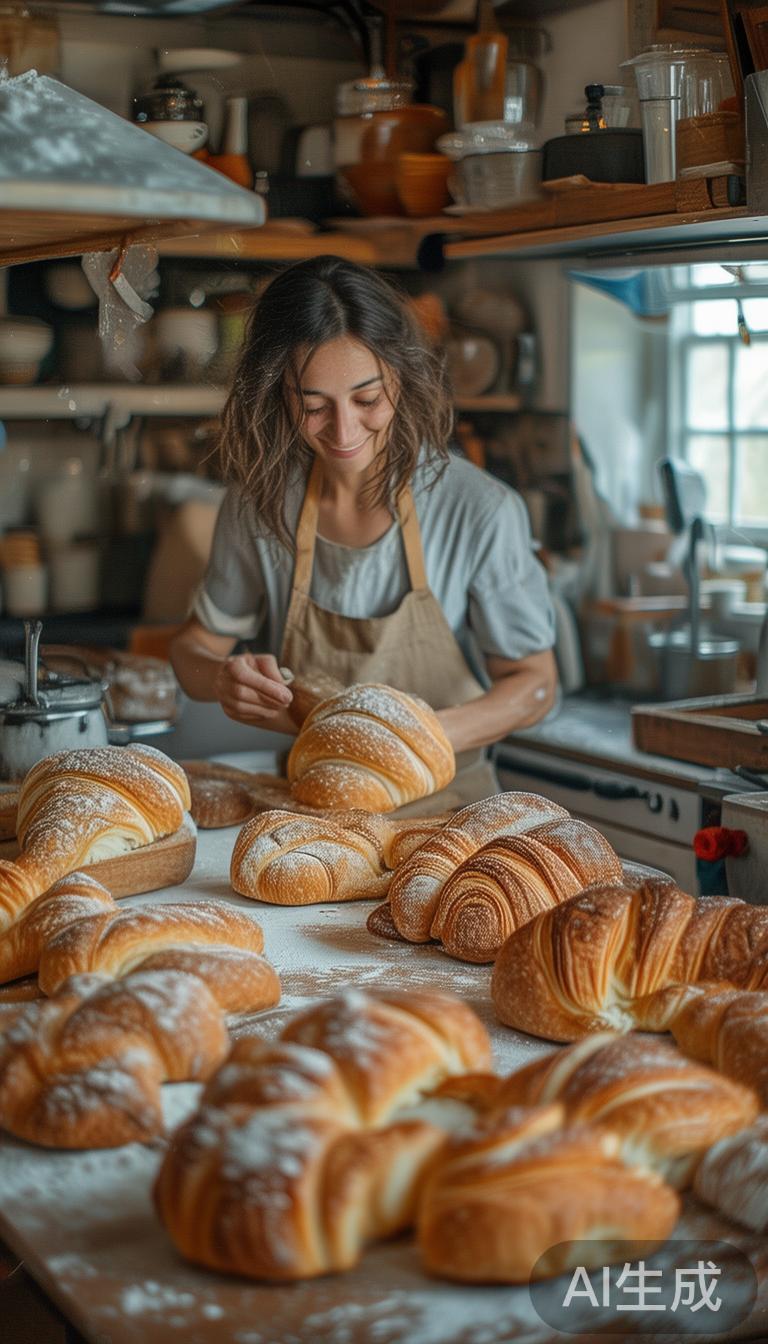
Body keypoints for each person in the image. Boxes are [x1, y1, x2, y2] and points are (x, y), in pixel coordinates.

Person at [170, 255, 558, 806]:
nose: (344, 429)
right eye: (314, 405)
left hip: (449, 811)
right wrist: (219, 678)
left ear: (400, 374)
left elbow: (535, 682)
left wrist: (414, 741)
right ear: (279, 393)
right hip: (317, 807)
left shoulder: (478, 508)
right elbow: (191, 650)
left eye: (367, 399)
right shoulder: (257, 504)